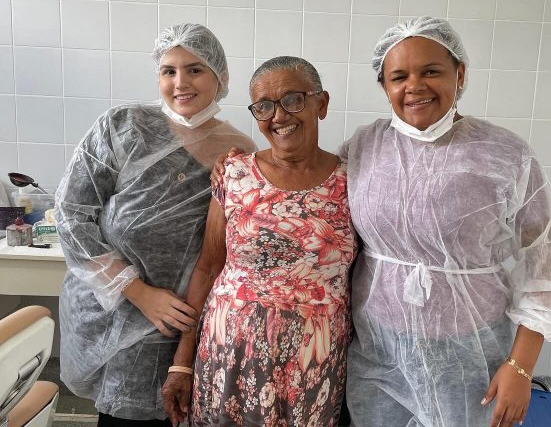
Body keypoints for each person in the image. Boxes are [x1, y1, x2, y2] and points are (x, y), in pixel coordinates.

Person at [342, 17, 551, 427]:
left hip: (470, 355)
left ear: (460, 74)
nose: (414, 86)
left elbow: (546, 265)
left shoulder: (504, 154)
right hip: (378, 353)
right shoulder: (364, 147)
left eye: (431, 71)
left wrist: (521, 367)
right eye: (399, 76)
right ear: (384, 86)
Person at [55, 23, 256, 425]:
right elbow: (71, 215)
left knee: (178, 414)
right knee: (122, 417)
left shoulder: (239, 152)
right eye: (169, 71)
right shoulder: (122, 127)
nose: (180, 82)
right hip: (117, 311)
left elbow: (226, 246)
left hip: (186, 323)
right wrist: (138, 292)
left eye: (195, 69)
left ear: (221, 76)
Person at [161, 56, 357, 427]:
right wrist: (182, 363)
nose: (279, 116)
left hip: (313, 366)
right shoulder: (234, 174)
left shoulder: (353, 183)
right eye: (264, 106)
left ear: (321, 103)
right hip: (229, 355)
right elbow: (208, 267)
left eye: (293, 99)